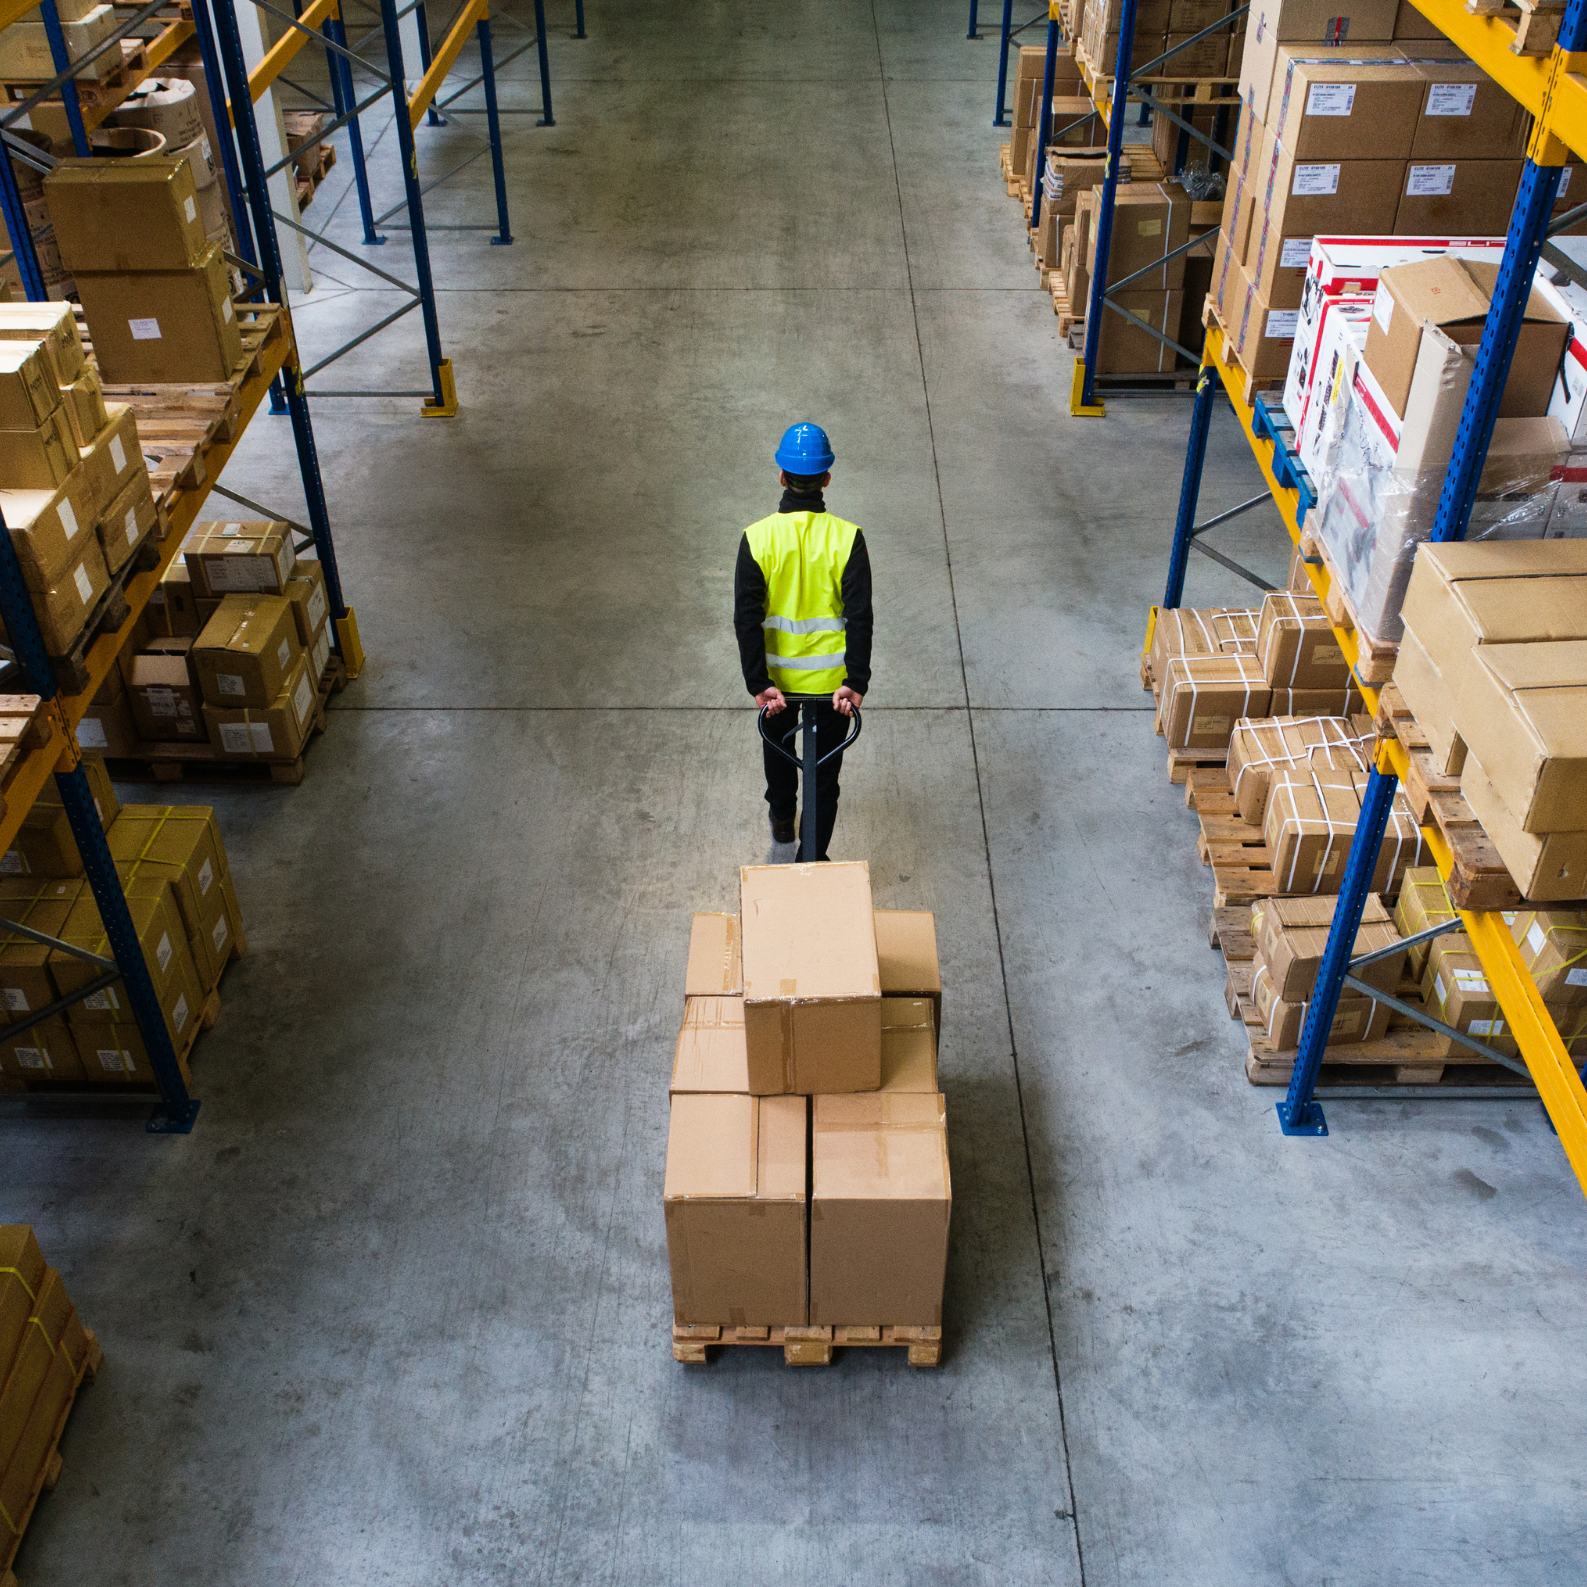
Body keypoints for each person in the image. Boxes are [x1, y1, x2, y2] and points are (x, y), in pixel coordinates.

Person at [733, 421, 872, 861]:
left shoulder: (757, 539)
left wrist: (759, 683)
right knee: (824, 777)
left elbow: (746, 619)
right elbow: (860, 617)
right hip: (832, 689)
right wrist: (856, 681)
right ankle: (811, 857)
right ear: (827, 478)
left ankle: (781, 819)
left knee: (779, 757)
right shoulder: (848, 539)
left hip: (777, 685)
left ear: (781, 475)